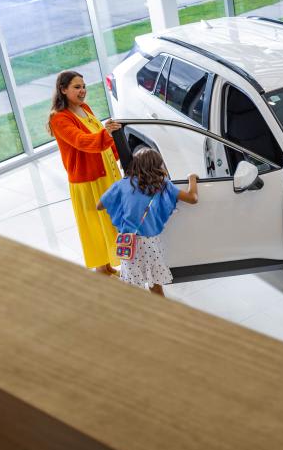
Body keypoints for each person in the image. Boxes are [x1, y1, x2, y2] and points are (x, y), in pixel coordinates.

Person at [48, 70, 123, 276]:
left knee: (110, 220)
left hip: (106, 172)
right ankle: (101, 268)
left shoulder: (84, 108)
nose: (82, 91)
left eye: (83, 86)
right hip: (89, 180)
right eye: (77, 87)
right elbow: (81, 141)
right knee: (95, 224)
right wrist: (106, 133)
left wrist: (117, 153)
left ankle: (108, 266)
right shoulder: (59, 118)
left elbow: (99, 136)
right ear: (63, 90)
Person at [97, 148, 198, 297]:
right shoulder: (162, 184)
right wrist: (192, 178)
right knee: (155, 286)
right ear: (158, 166)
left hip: (128, 243)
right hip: (151, 244)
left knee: (132, 286)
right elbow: (193, 198)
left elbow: (99, 206)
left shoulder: (122, 185)